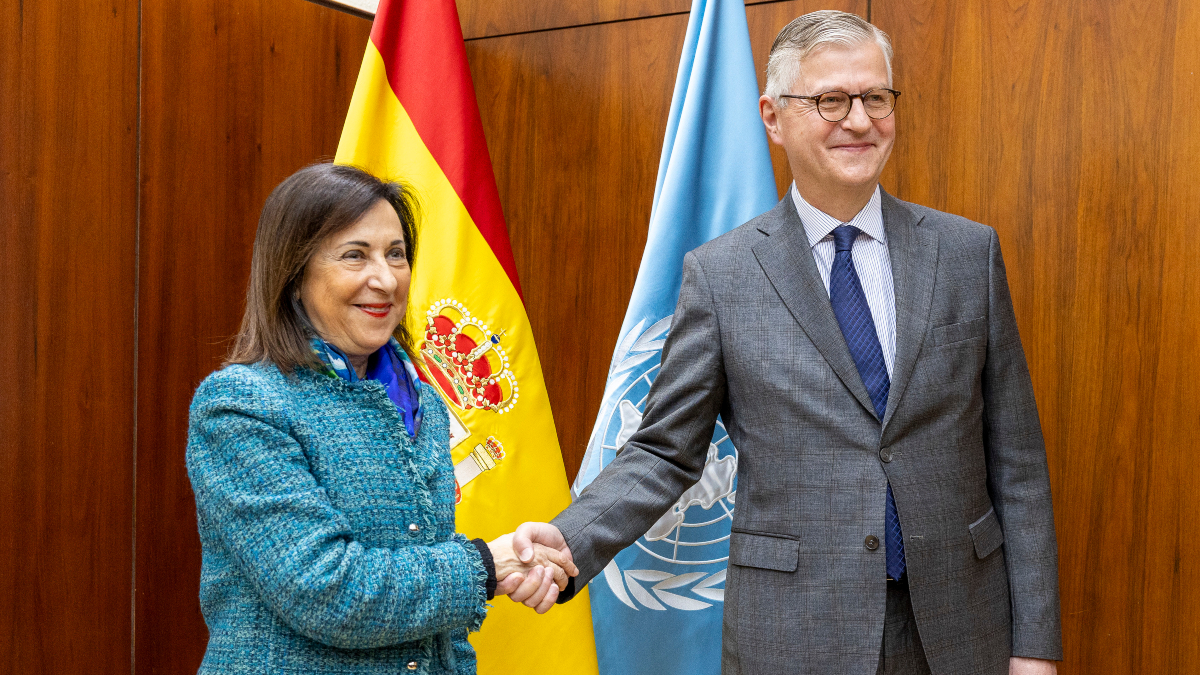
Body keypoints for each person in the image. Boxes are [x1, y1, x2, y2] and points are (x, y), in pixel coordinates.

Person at [511, 11, 1061, 675]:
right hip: (793, 630)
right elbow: (663, 450)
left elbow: (1017, 462)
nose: (859, 120)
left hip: (957, 627)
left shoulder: (969, 253)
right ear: (773, 117)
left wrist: (1033, 645)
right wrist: (569, 538)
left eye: (875, 97)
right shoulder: (722, 274)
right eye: (831, 99)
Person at [186, 163, 567, 674]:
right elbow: (324, 590)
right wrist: (484, 566)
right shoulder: (240, 404)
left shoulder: (422, 402)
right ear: (293, 276)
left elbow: (421, 579)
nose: (385, 279)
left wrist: (515, 559)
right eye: (354, 256)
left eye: (396, 255)